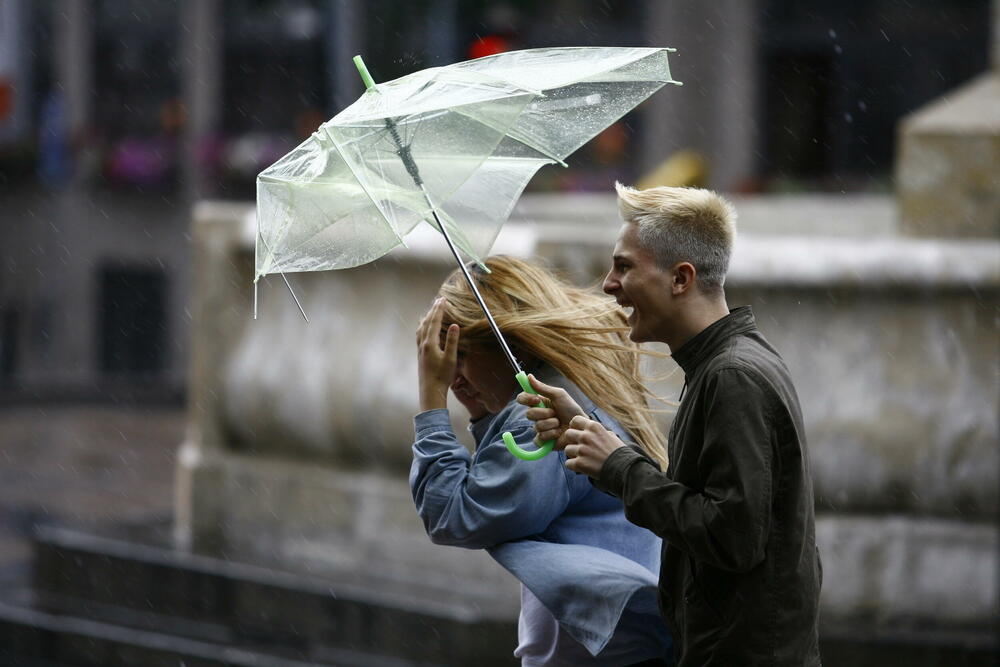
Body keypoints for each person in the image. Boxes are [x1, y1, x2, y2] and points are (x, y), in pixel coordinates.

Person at [517, 184, 822, 666]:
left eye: (624, 267)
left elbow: (732, 537)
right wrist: (589, 437)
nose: (608, 285)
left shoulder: (732, 376)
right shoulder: (727, 365)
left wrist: (617, 466)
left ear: (681, 278)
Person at [410, 255, 675, 666]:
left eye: (461, 355)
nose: (452, 377)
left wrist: (431, 400)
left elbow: (454, 516)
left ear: (509, 344)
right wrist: (481, 412)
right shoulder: (576, 385)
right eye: (446, 363)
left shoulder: (539, 416)